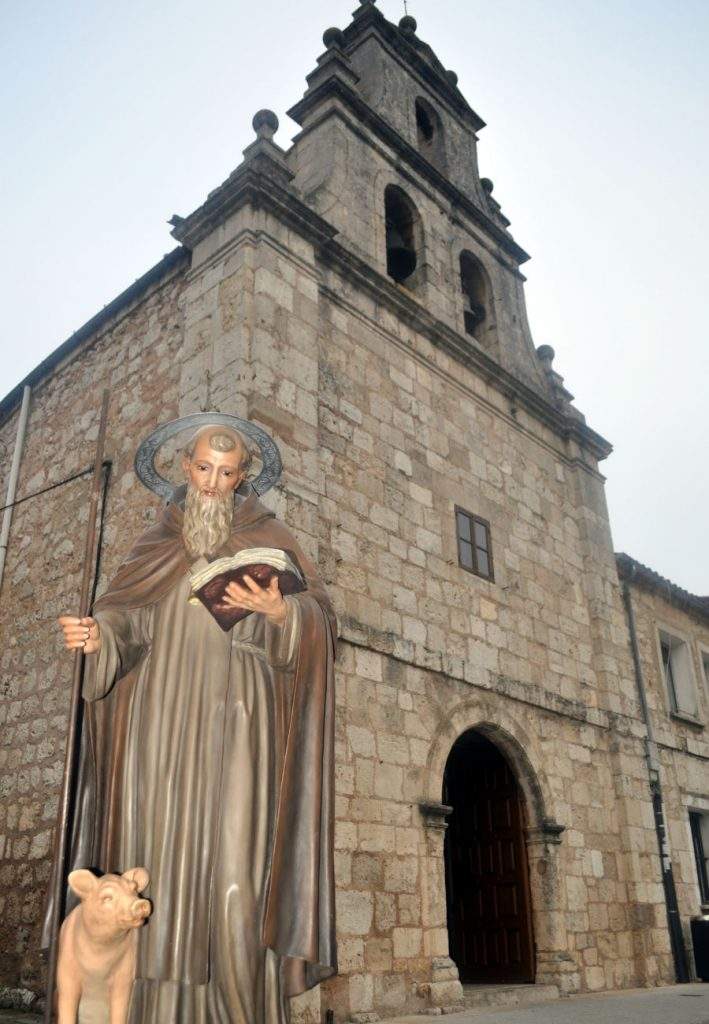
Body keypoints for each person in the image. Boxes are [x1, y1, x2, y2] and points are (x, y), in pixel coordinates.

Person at [56, 425, 337, 1024]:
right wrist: (97, 636)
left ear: (243, 477)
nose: (214, 482)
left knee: (238, 875)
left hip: (244, 720)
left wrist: (283, 611)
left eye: (227, 472)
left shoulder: (269, 536)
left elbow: (322, 627)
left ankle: (241, 1011)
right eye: (204, 468)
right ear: (185, 467)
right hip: (161, 722)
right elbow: (124, 621)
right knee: (154, 858)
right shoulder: (156, 541)